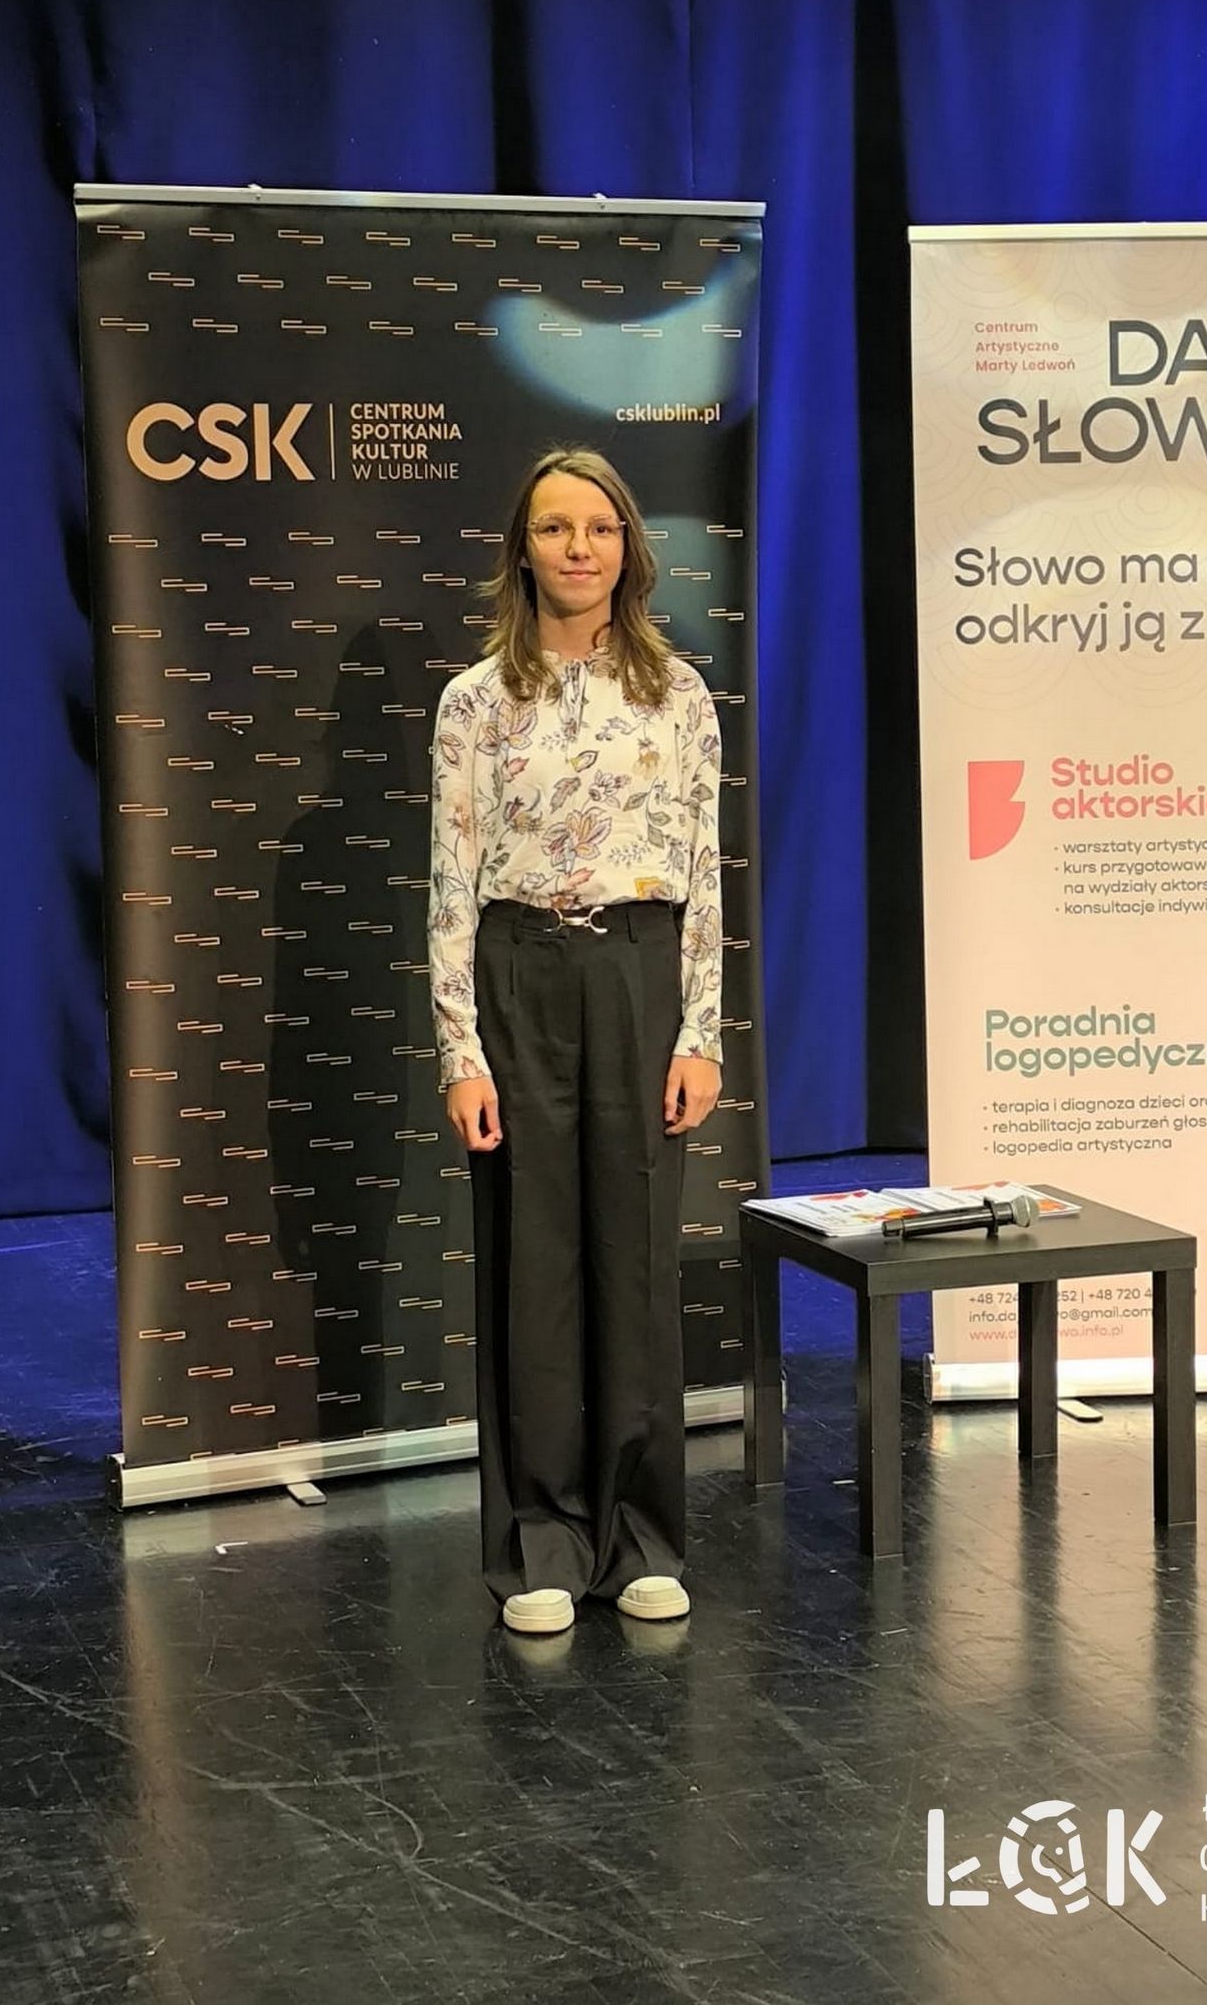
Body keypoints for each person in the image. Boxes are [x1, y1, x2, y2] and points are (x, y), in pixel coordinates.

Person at [426, 446, 723, 1636]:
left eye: (598, 527)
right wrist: (461, 1050)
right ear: (523, 550)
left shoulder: (677, 694)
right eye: (554, 528)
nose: (578, 548)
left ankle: (640, 1536)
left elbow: (704, 871)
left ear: (628, 547)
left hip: (639, 972)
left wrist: (700, 1032)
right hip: (521, 972)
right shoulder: (475, 700)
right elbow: (450, 881)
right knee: (535, 1264)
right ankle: (542, 1543)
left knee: (634, 1261)